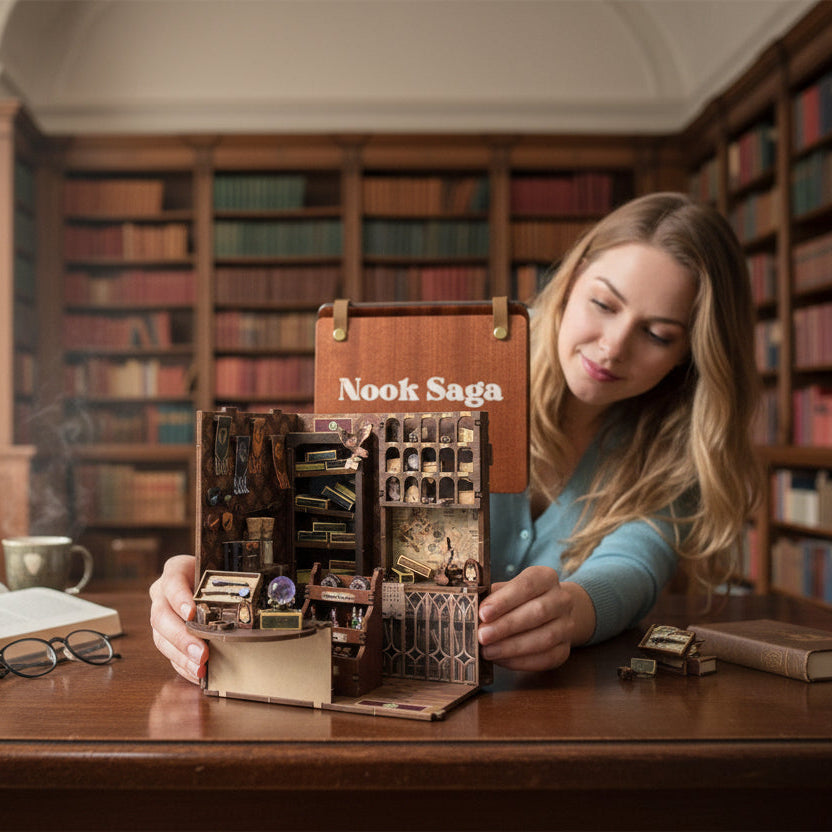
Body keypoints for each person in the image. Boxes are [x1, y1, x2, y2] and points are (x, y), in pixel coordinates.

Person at [150, 191, 761, 683]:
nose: (614, 345)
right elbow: (338, 512)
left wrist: (572, 612)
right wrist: (222, 568)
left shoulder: (677, 457)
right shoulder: (465, 368)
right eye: (603, 304)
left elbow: (636, 564)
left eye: (658, 334)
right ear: (571, 281)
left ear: (691, 356)